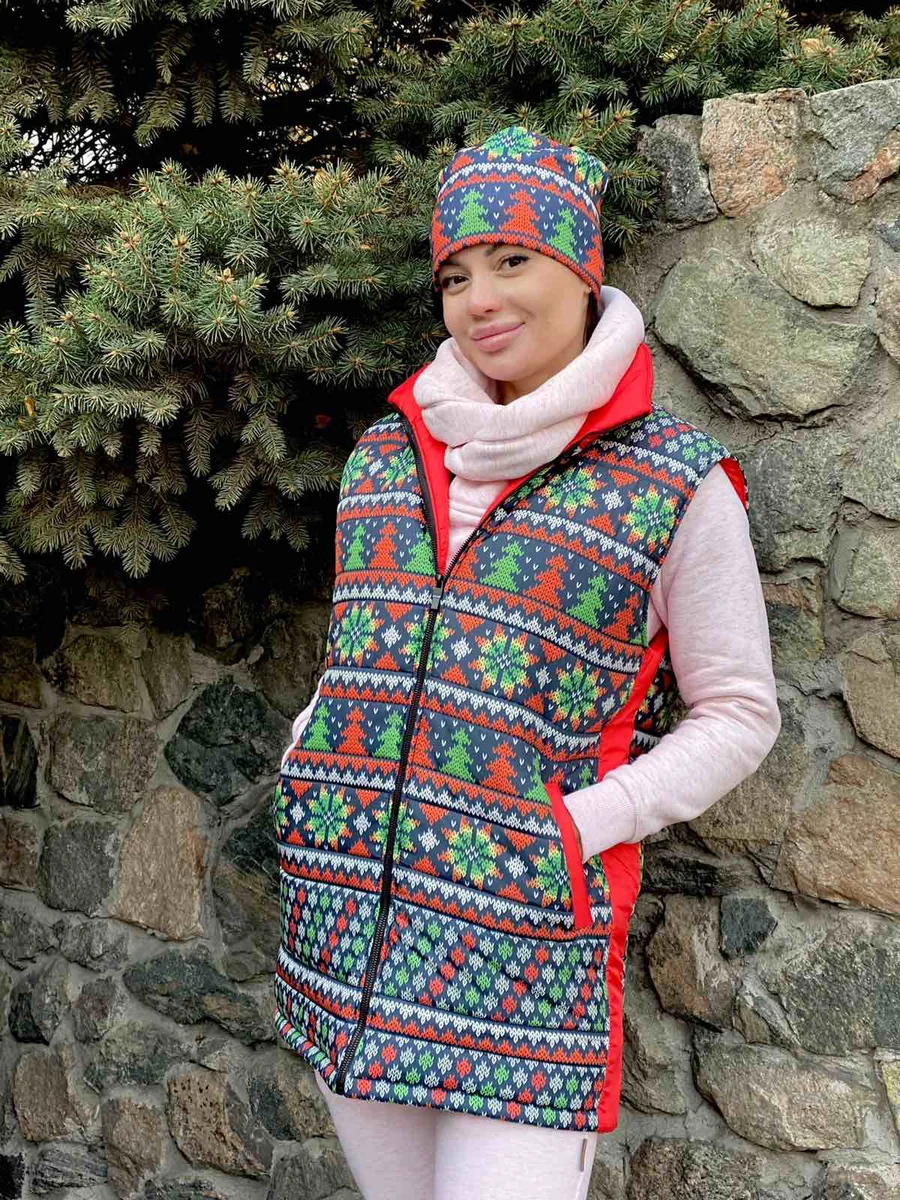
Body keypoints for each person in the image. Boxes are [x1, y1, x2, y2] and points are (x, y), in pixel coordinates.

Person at [272, 126, 781, 1200]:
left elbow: (740, 712)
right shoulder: (385, 454)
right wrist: (310, 752)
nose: (481, 299)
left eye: (512, 260)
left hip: (523, 951)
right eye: (456, 275)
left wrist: (580, 826)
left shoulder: (674, 481)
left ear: (582, 271)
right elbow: (360, 644)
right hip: (344, 926)